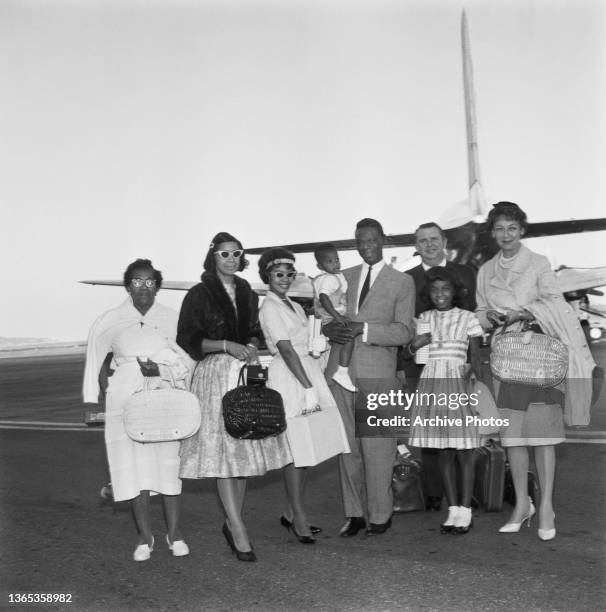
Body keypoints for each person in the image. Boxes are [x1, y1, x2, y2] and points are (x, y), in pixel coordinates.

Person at [476, 202, 596, 540]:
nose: (506, 235)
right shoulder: (485, 270)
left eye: (512, 228)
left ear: (522, 230)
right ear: (492, 232)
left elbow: (555, 301)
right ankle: (522, 504)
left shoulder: (539, 264)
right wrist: (493, 318)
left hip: (539, 356)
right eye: (499, 228)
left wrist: (523, 313)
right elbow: (480, 310)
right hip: (505, 358)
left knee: (543, 435)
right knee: (512, 435)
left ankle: (545, 507)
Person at [177, 233, 292, 562]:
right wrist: (226, 345)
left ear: (242, 257)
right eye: (224, 253)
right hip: (215, 375)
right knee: (225, 455)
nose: (230, 258)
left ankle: (232, 520)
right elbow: (188, 337)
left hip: (243, 372)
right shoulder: (199, 294)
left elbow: (253, 329)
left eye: (236, 253)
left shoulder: (245, 291)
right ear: (213, 256)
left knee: (242, 451)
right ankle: (238, 527)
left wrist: (253, 343)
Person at [82, 259, 190, 561]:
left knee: (169, 465)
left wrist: (187, 391)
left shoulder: (172, 318)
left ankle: (175, 533)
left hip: (165, 396)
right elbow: (97, 358)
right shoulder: (111, 319)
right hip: (125, 399)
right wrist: (99, 395)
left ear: (158, 285)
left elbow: (188, 356)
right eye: (138, 281)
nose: (144, 287)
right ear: (128, 285)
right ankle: (145, 537)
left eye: (150, 281)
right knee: (133, 467)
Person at [323, 218, 415, 537]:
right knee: (347, 447)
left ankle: (380, 514)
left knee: (379, 447)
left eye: (372, 241)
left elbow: (404, 331)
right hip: (340, 373)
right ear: (355, 243)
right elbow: (323, 318)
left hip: (379, 374)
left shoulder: (402, 282)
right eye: (361, 241)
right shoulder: (341, 278)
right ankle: (355, 513)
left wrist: (364, 329)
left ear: (383, 240)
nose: (367, 247)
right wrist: (329, 327)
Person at [258, 247, 350, 544]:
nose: (284, 279)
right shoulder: (269, 307)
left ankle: (290, 511)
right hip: (291, 376)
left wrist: (318, 345)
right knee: (297, 450)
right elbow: (285, 349)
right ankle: (298, 517)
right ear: (267, 277)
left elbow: (305, 340)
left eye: (288, 274)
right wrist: (307, 387)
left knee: (310, 448)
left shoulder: (295, 306)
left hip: (307, 370)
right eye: (278, 275)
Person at [399, 222, 478, 512]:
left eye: (434, 239)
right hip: (425, 364)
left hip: (460, 365)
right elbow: (407, 323)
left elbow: (474, 320)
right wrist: (408, 355)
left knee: (464, 437)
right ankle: (435, 493)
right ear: (416, 246)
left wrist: (473, 364)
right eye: (423, 241)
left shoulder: (467, 272)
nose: (429, 245)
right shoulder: (407, 279)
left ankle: (466, 497)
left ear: (444, 241)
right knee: (431, 437)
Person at [408, 267, 483, 534]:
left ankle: (466, 510)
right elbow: (418, 354)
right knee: (444, 451)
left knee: (465, 451)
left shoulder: (468, 318)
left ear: (456, 291)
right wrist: (415, 344)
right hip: (432, 383)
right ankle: (452, 510)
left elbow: (475, 358)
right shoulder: (425, 317)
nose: (440, 294)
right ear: (428, 294)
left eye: (446, 289)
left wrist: (471, 385)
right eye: (435, 290)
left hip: (459, 384)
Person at [312, 243, 356, 392]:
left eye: (336, 259)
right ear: (320, 265)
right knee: (349, 336)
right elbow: (324, 298)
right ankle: (342, 372)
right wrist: (337, 316)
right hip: (329, 316)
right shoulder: (329, 279)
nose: (335, 263)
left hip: (329, 316)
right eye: (329, 261)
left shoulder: (334, 277)